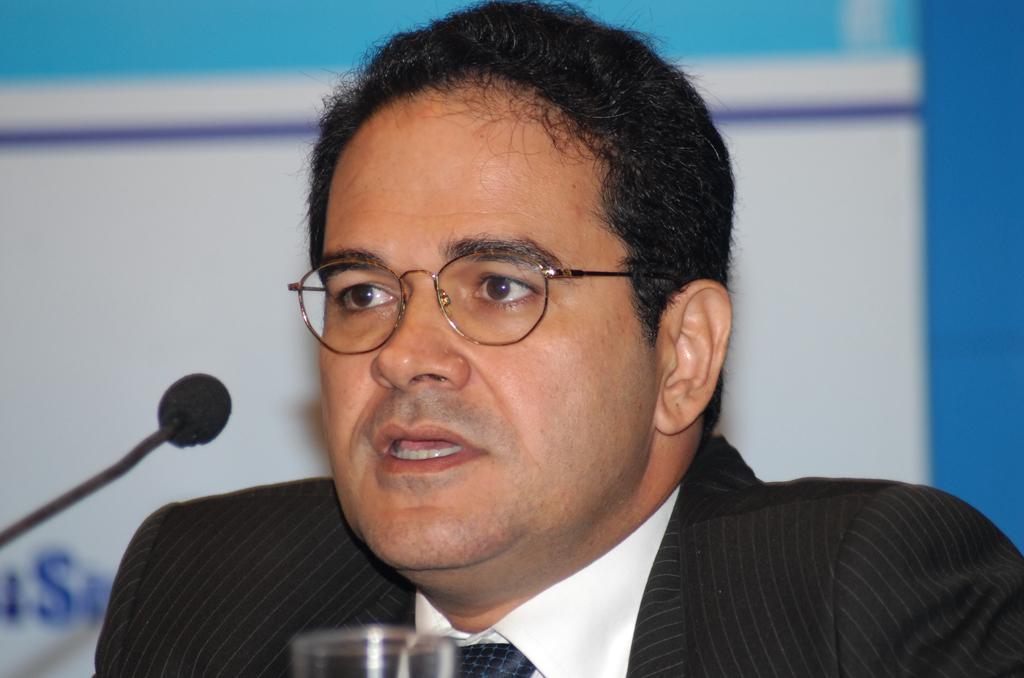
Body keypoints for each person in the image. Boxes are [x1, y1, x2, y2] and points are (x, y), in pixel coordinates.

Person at [94, 2, 1024, 676]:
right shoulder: (201, 591)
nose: (403, 355)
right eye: (363, 292)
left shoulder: (860, 604)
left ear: (684, 354)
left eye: (500, 287)